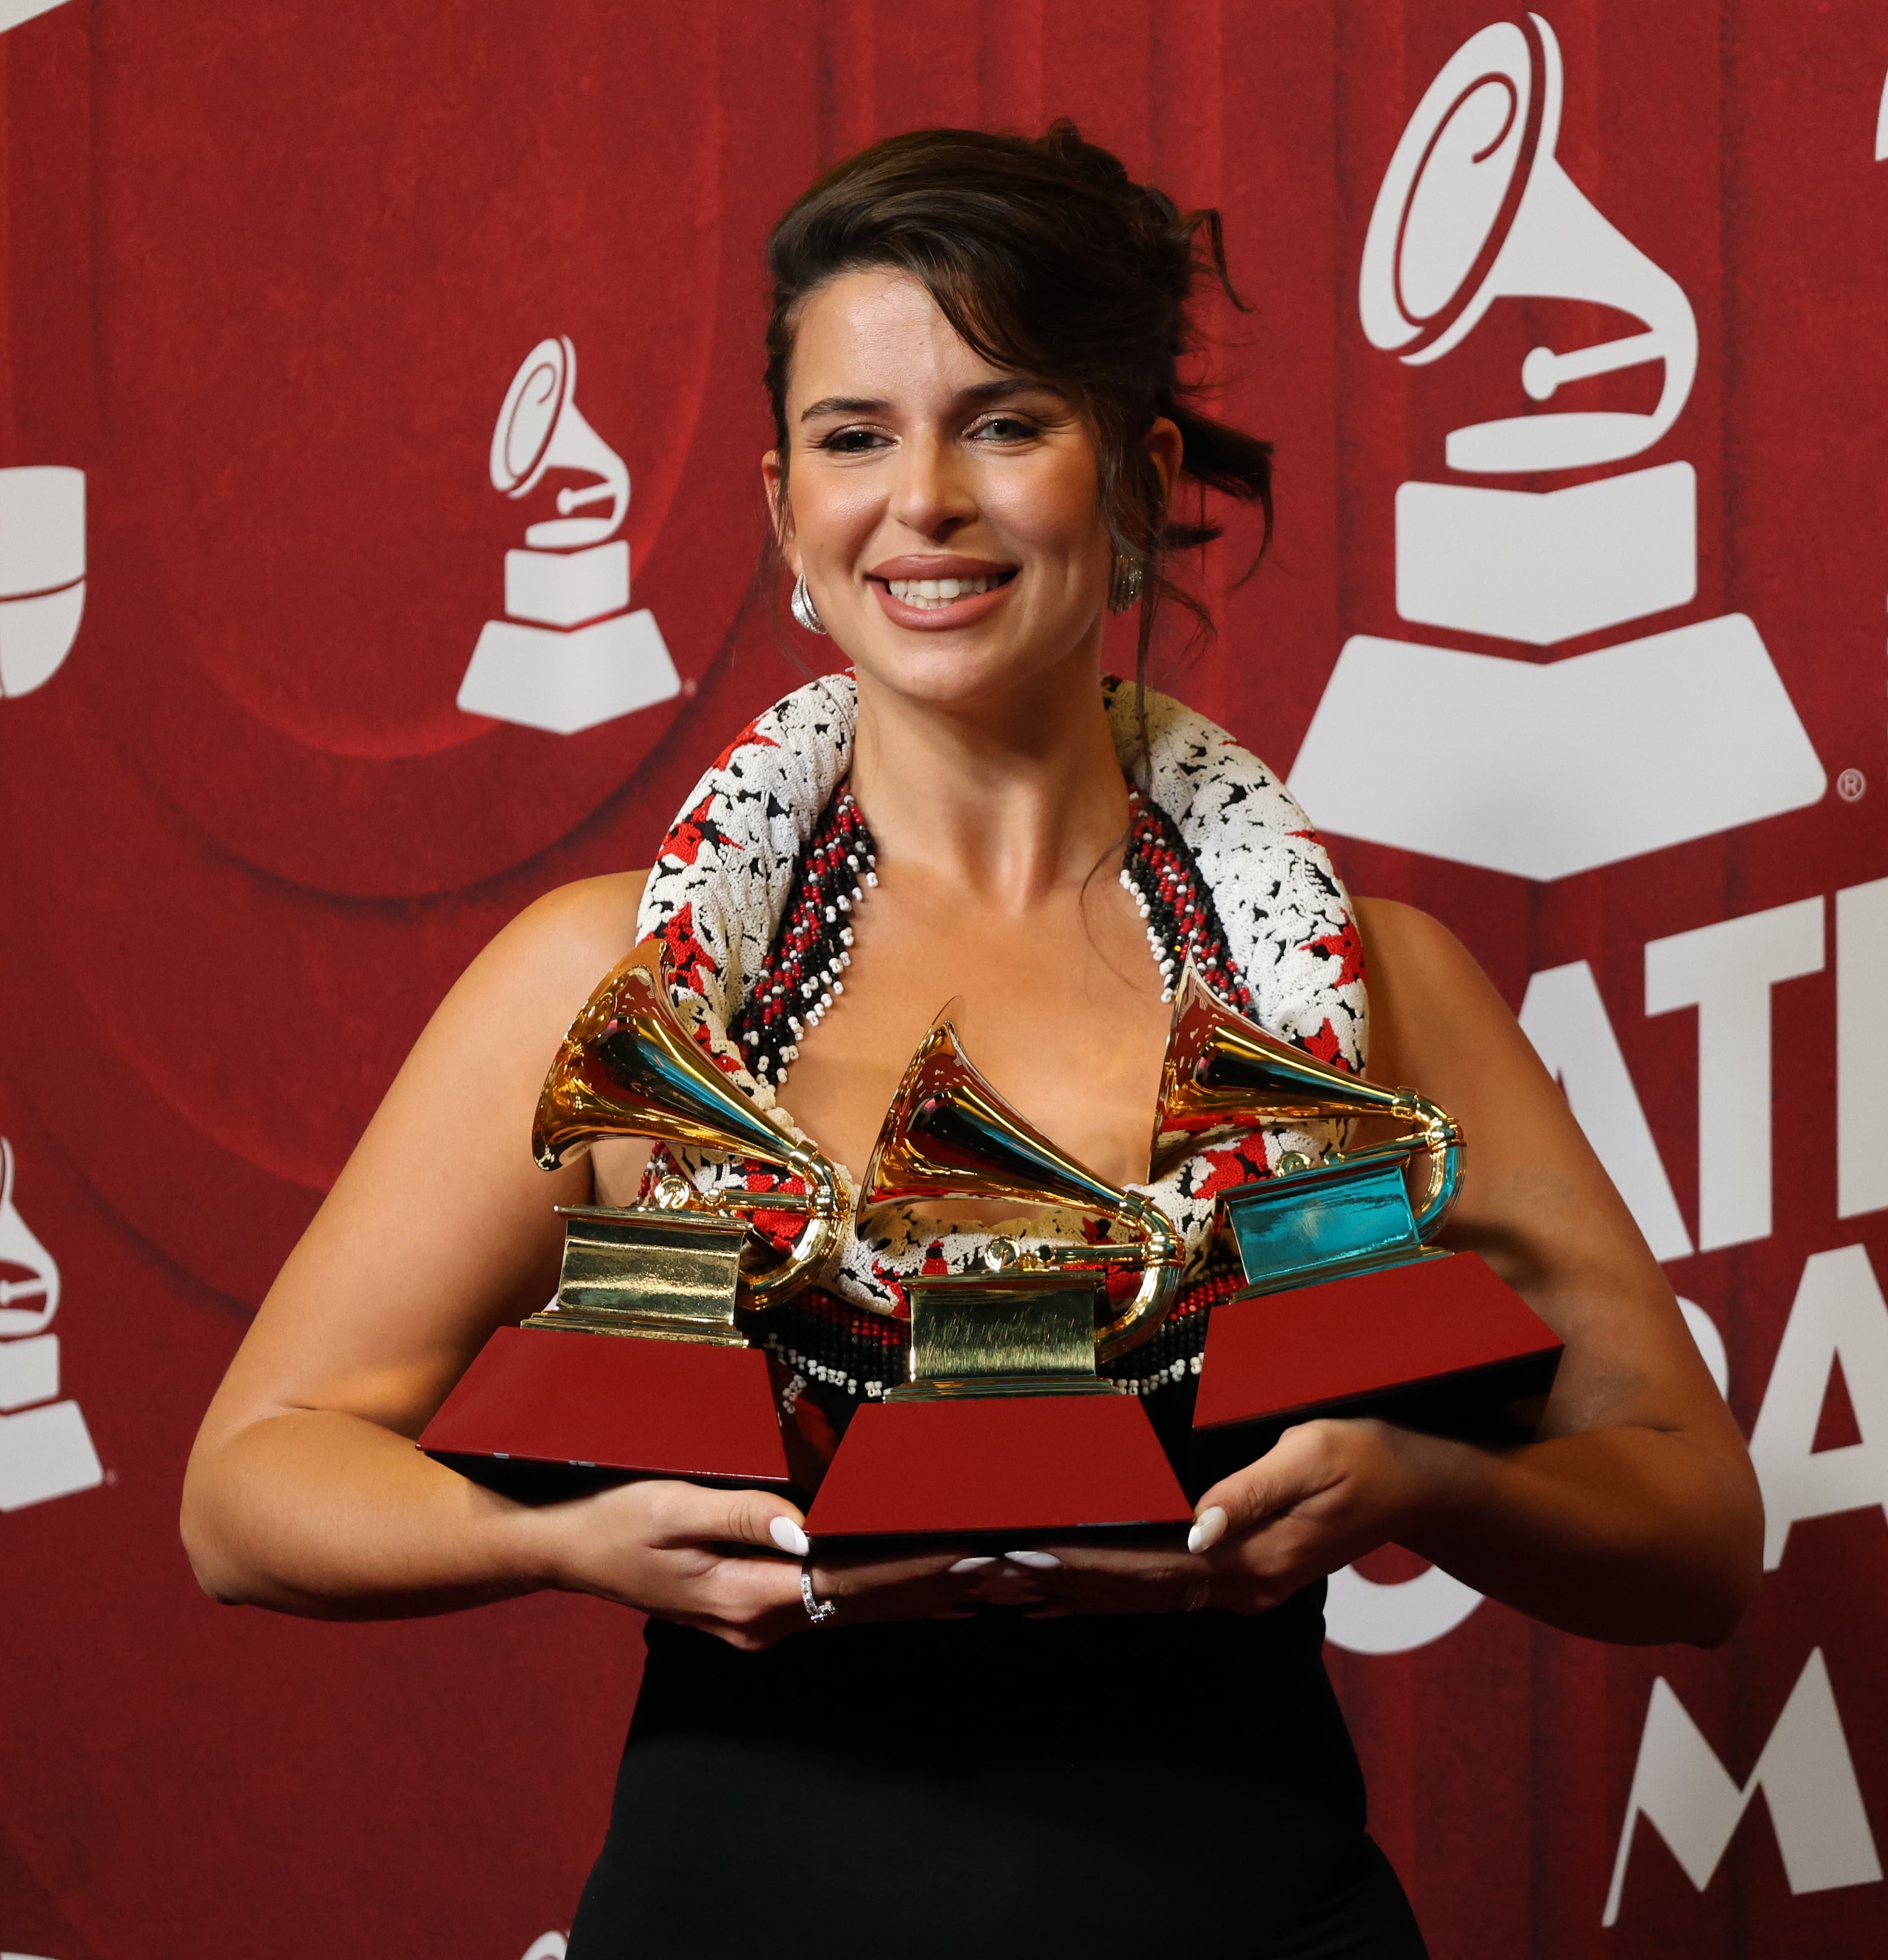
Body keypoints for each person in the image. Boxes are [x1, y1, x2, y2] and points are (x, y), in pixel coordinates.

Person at [181, 122, 1759, 1959]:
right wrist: (559, 1536)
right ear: (783, 506)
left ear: (1142, 477)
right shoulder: (613, 990)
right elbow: (252, 1490)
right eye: (856, 438)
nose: (923, 500)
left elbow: (1696, 1530)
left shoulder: (1374, 993)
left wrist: (1425, 1483)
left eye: (1005, 422)